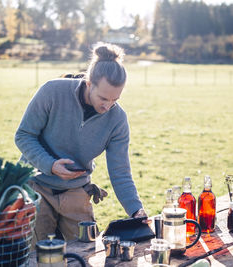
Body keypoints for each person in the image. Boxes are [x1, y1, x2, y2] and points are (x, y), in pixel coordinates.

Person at [15, 43, 147, 244]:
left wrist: (136, 209)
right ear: (88, 84)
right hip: (37, 186)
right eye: (103, 98)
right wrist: (50, 165)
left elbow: (120, 171)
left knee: (85, 252)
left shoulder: (118, 119)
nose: (108, 106)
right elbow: (24, 135)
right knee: (37, 254)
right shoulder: (52, 92)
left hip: (76, 191)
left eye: (115, 99)